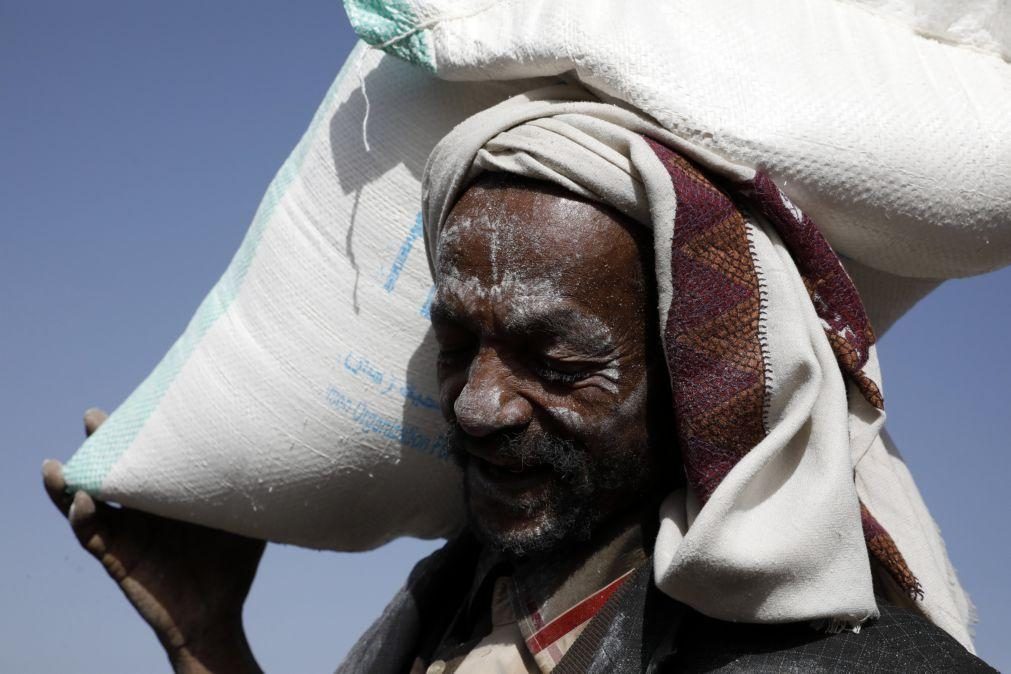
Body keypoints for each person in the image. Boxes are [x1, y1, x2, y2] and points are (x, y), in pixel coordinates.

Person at [44, 92, 996, 672]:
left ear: (703, 384)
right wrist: (206, 638)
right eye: (459, 345)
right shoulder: (455, 614)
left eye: (558, 363)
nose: (476, 404)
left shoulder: (840, 668)